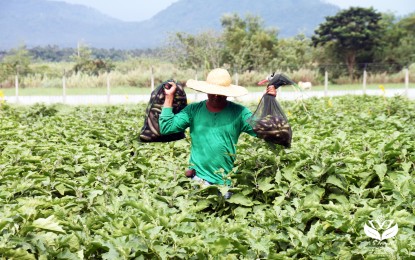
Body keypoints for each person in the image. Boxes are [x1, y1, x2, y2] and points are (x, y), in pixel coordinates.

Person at [159, 68, 276, 197]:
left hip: (225, 184)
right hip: (198, 180)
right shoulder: (193, 110)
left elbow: (265, 130)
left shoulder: (239, 112)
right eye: (212, 92)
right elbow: (167, 127)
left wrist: (270, 101)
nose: (216, 96)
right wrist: (169, 96)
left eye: (220, 93)